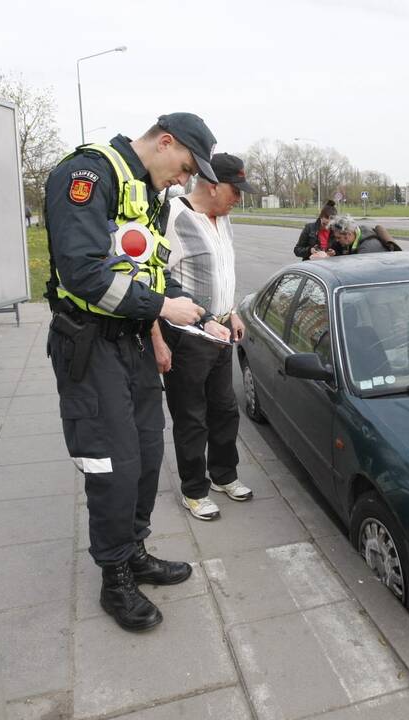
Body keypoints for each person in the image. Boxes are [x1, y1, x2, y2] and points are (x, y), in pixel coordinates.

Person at [44, 112, 227, 632]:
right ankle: (114, 576)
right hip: (91, 347)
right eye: (186, 167)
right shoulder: (89, 175)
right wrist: (162, 311)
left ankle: (135, 550)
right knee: (113, 465)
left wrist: (179, 321)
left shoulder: (147, 193)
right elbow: (82, 274)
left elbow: (146, 272)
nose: (185, 181)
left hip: (133, 345)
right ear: (165, 142)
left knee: (147, 455)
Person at [152, 153, 259, 521]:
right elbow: (157, 277)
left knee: (225, 409)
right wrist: (161, 339)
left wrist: (231, 312)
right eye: (235, 191)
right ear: (213, 185)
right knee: (191, 416)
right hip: (188, 337)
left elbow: (221, 273)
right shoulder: (174, 217)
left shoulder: (222, 220)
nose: (239, 199)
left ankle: (223, 475)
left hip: (221, 334)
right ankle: (194, 490)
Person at [327, 214, 401, 255]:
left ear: (348, 234)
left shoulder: (366, 249)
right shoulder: (358, 234)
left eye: (339, 238)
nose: (337, 240)